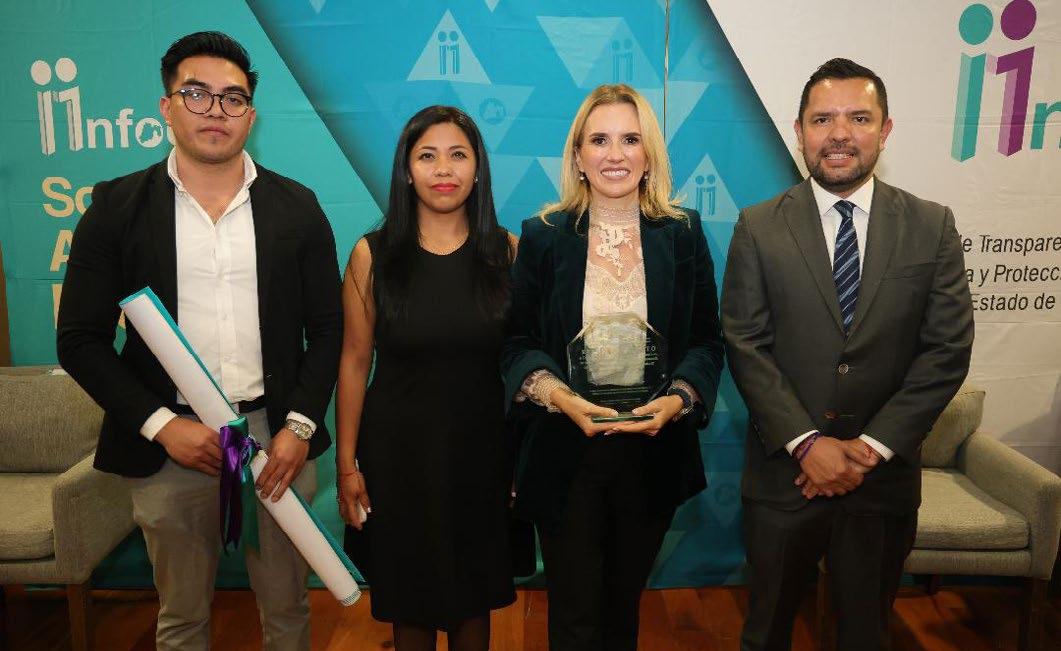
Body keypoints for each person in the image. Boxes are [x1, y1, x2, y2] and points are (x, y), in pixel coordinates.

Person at [56, 31, 342, 651]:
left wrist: (299, 427)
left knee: (288, 610)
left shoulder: (297, 207)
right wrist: (162, 426)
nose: (216, 110)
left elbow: (328, 330)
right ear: (167, 106)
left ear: (251, 115)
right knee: (181, 617)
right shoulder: (116, 207)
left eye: (232, 98)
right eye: (197, 94)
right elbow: (78, 339)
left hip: (275, 438)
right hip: (171, 447)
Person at [721, 58, 974, 651]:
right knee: (766, 632)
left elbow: (946, 350)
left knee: (866, 634)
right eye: (822, 119)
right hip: (786, 478)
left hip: (881, 482)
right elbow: (745, 343)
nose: (839, 134)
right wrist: (808, 444)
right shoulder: (758, 227)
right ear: (799, 131)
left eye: (859, 118)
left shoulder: (931, 226)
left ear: (886, 130)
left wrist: (868, 450)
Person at [500, 84, 725, 651]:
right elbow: (516, 342)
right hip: (565, 450)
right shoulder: (543, 235)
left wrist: (677, 399)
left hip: (653, 452)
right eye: (599, 140)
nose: (615, 154)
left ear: (649, 154)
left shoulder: (683, 232)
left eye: (631, 139)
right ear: (578, 156)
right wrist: (560, 397)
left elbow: (706, 341)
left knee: (623, 612)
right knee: (574, 618)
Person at [336, 105, 518, 651]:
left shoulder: (507, 253)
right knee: (409, 600)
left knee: (473, 599)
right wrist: (347, 466)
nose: (443, 169)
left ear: (478, 169)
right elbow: (354, 361)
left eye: (458, 155)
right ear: (406, 170)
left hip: (483, 456)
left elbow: (523, 367)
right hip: (398, 459)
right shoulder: (373, 256)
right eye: (427, 155)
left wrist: (521, 461)